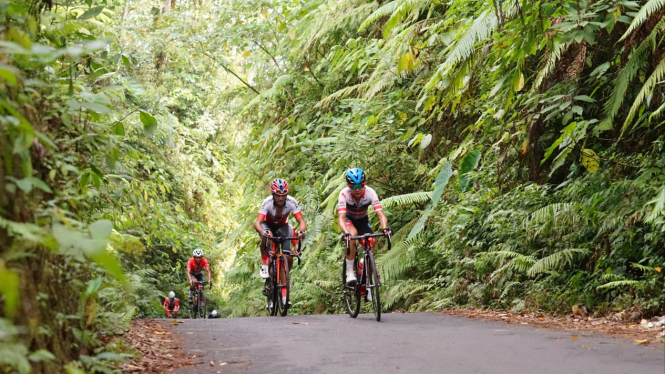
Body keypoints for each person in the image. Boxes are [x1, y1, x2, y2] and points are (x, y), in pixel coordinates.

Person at [254, 178, 306, 305]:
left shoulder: (291, 202)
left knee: (287, 257)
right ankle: (265, 262)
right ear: (273, 194)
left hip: (283, 226)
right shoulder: (267, 203)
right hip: (267, 225)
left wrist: (301, 231)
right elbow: (257, 222)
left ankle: (284, 296)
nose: (281, 198)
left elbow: (301, 221)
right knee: (268, 235)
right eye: (278, 195)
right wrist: (262, 232)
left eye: (283, 195)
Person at [337, 168, 391, 285]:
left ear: (364, 184)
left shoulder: (370, 193)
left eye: (360, 186)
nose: (357, 189)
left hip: (362, 221)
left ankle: (367, 282)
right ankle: (350, 273)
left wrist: (385, 228)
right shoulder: (343, 194)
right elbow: (341, 218)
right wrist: (345, 232)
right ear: (348, 186)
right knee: (351, 236)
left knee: (371, 243)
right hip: (348, 220)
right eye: (353, 186)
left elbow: (380, 214)